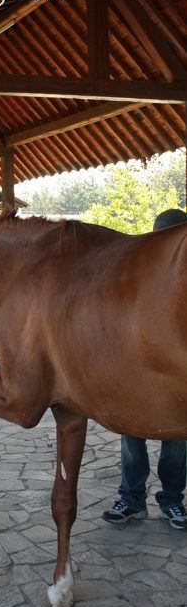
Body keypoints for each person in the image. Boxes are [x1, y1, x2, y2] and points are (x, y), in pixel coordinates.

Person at [102, 208, 187, 531]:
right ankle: (132, 499)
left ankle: (172, 500)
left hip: (175, 374)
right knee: (132, 436)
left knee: (177, 441)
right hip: (136, 371)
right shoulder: (138, 271)